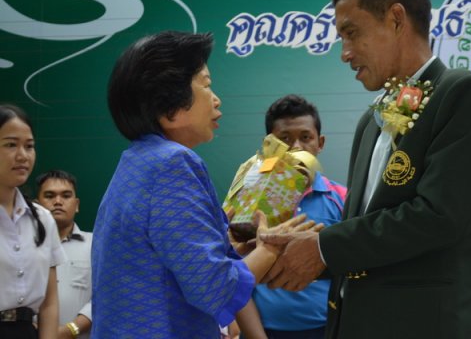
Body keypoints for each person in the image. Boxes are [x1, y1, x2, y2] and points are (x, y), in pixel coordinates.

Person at [260, 0, 471, 338]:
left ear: (396, 19)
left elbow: (440, 216)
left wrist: (323, 248)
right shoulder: (372, 120)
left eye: (352, 33)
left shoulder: (462, 93)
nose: (345, 52)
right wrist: (294, 249)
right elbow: (366, 235)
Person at [92, 31, 311, 339]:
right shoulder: (173, 163)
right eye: (206, 85)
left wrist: (233, 250)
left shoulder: (137, 161)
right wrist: (269, 249)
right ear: (170, 108)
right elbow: (214, 289)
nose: (217, 98)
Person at [251, 95, 346, 339]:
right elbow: (234, 276)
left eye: (306, 138)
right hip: (263, 331)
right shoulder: (248, 203)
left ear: (320, 143)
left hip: (328, 329)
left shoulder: (343, 199)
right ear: (268, 145)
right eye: (284, 139)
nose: (296, 148)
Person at [0, 104, 66, 339]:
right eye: (10, 145)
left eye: (29, 146)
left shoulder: (43, 219)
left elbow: (49, 304)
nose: (22, 155)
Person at [36, 170, 92, 339]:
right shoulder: (22, 247)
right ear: (36, 205)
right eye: (49, 196)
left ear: (77, 205)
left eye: (66, 196)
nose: (58, 202)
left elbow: (106, 296)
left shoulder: (96, 245)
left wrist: (70, 330)